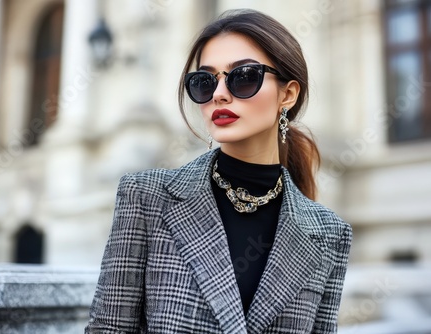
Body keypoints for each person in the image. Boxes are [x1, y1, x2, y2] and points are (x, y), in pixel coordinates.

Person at [85, 8, 352, 334]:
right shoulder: (147, 197)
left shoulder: (330, 234)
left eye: (244, 77)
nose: (219, 94)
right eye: (204, 81)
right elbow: (108, 329)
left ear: (287, 94)